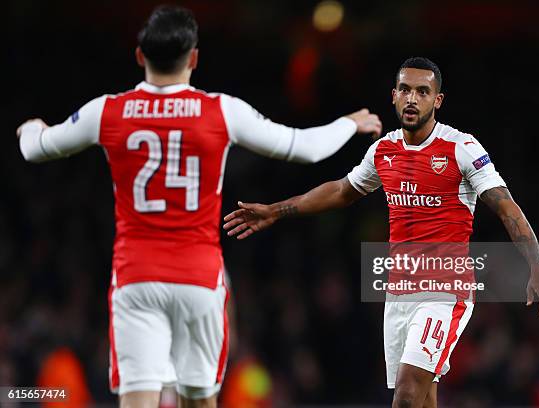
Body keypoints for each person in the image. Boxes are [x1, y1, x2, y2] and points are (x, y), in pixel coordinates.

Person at [16, 5, 382, 408]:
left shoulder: (107, 110)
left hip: (136, 277)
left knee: (138, 400)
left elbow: (36, 149)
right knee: (200, 400)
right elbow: (305, 148)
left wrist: (30, 128)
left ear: (140, 56)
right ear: (193, 58)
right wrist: (349, 123)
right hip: (200, 278)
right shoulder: (220, 111)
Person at [223, 57, 539, 408]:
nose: (412, 99)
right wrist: (276, 211)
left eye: (423, 92)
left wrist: (536, 266)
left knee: (407, 392)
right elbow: (341, 191)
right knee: (423, 396)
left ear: (437, 100)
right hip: (398, 294)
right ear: (394, 96)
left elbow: (506, 207)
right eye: (406, 90)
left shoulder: (462, 148)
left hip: (445, 292)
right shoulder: (384, 151)